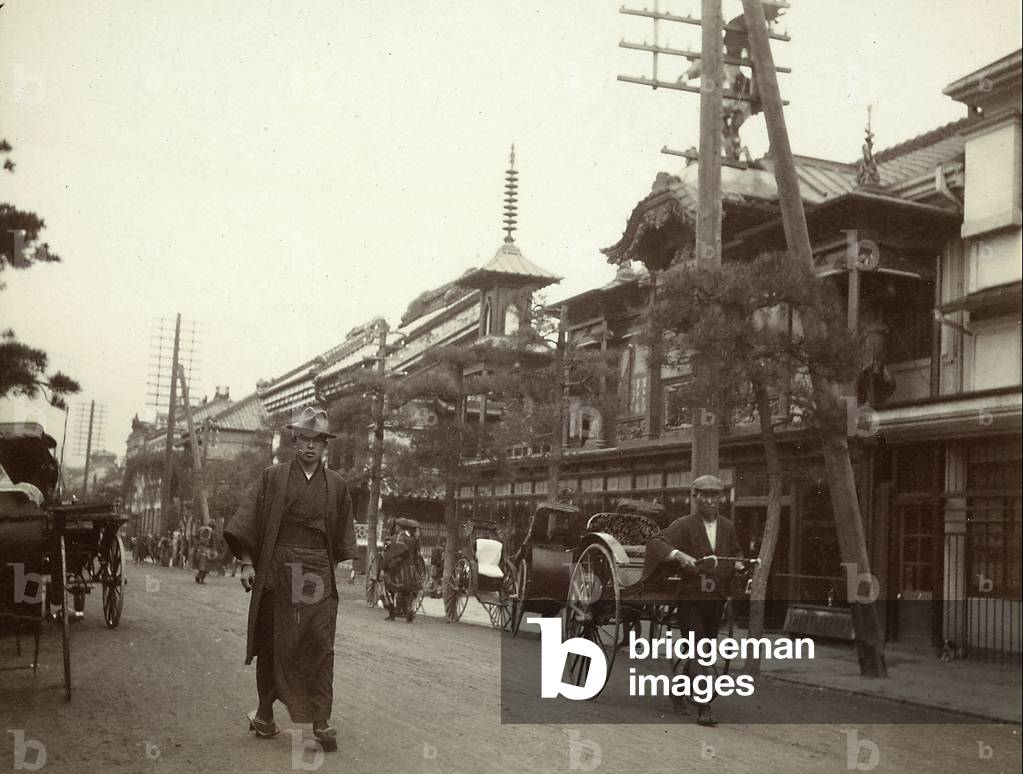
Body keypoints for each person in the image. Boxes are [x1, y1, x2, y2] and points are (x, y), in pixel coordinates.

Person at [224, 407, 356, 752]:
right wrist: (248, 563)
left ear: (325, 446)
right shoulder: (274, 477)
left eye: (317, 441)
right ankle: (265, 713)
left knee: (320, 644)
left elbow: (341, 539)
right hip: (276, 571)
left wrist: (329, 570)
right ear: (294, 441)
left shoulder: (337, 486)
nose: (310, 447)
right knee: (272, 641)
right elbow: (248, 521)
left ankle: (321, 721)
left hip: (316, 575)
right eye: (304, 439)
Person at [641, 474, 744, 727]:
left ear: (722, 498)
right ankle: (704, 707)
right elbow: (656, 541)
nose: (710, 500)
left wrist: (739, 563)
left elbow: (735, 551)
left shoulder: (728, 526)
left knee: (705, 648)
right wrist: (677, 555)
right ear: (695, 497)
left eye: (715, 495)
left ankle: (677, 691)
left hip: (716, 597)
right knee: (699, 649)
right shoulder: (684, 524)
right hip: (690, 599)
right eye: (704, 495)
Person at [381, 517, 426, 622]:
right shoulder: (412, 540)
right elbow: (416, 557)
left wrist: (384, 569)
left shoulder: (391, 539)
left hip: (395, 570)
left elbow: (386, 555)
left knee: (389, 590)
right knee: (407, 591)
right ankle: (410, 610)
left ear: (397, 527)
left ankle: (392, 614)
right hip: (409, 570)